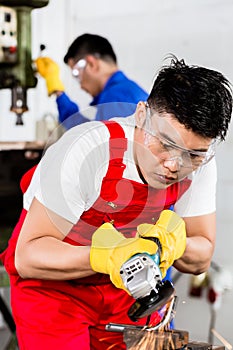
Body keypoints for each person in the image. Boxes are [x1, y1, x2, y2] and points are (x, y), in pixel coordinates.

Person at [1, 56, 232, 350]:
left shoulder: (198, 164)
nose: (175, 165)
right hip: (54, 292)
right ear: (141, 115)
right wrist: (105, 257)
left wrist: (172, 245)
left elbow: (201, 255)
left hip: (125, 292)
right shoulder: (87, 151)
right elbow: (28, 257)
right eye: (165, 144)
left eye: (194, 155)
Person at [35, 33, 148, 129]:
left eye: (77, 74)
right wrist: (57, 90)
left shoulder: (116, 99)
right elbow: (83, 129)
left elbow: (90, 143)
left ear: (91, 64)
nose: (81, 86)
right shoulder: (124, 92)